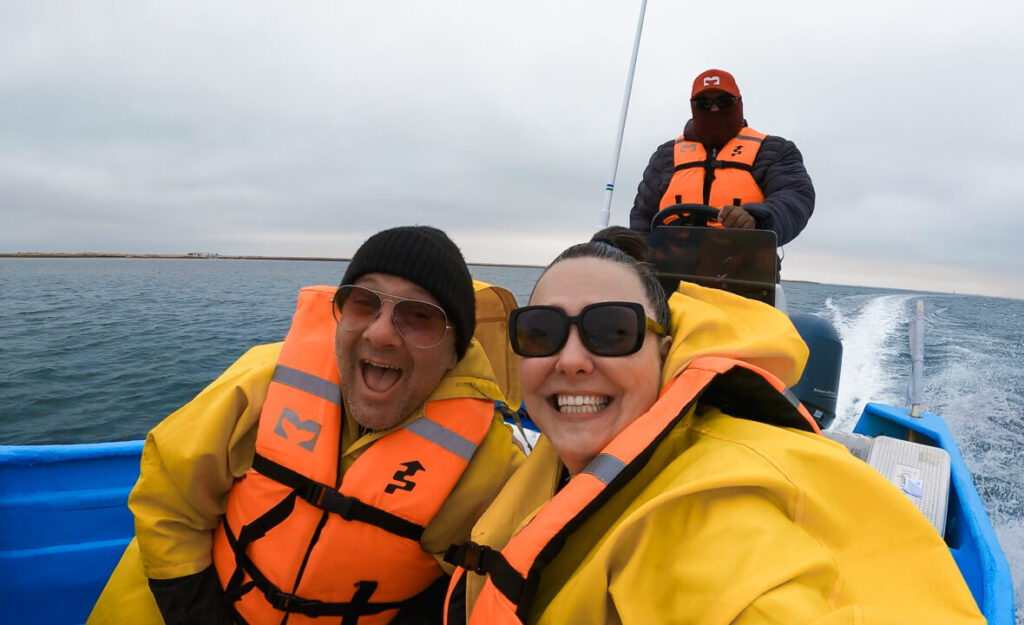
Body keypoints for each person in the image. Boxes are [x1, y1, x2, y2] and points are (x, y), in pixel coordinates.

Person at [444, 227, 985, 624]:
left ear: (666, 353)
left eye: (612, 330)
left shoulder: (706, 508)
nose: (571, 360)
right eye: (541, 332)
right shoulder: (556, 458)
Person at [88, 226, 525, 625]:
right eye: (364, 302)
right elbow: (169, 501)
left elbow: (476, 591)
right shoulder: (261, 382)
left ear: (455, 351)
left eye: (419, 316)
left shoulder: (488, 463)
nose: (381, 334)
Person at [630, 68, 815, 246]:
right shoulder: (666, 155)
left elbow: (796, 197)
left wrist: (756, 218)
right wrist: (640, 262)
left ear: (738, 104)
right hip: (670, 269)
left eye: (724, 101)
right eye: (704, 104)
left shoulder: (775, 150)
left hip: (746, 272)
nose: (714, 110)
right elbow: (642, 216)